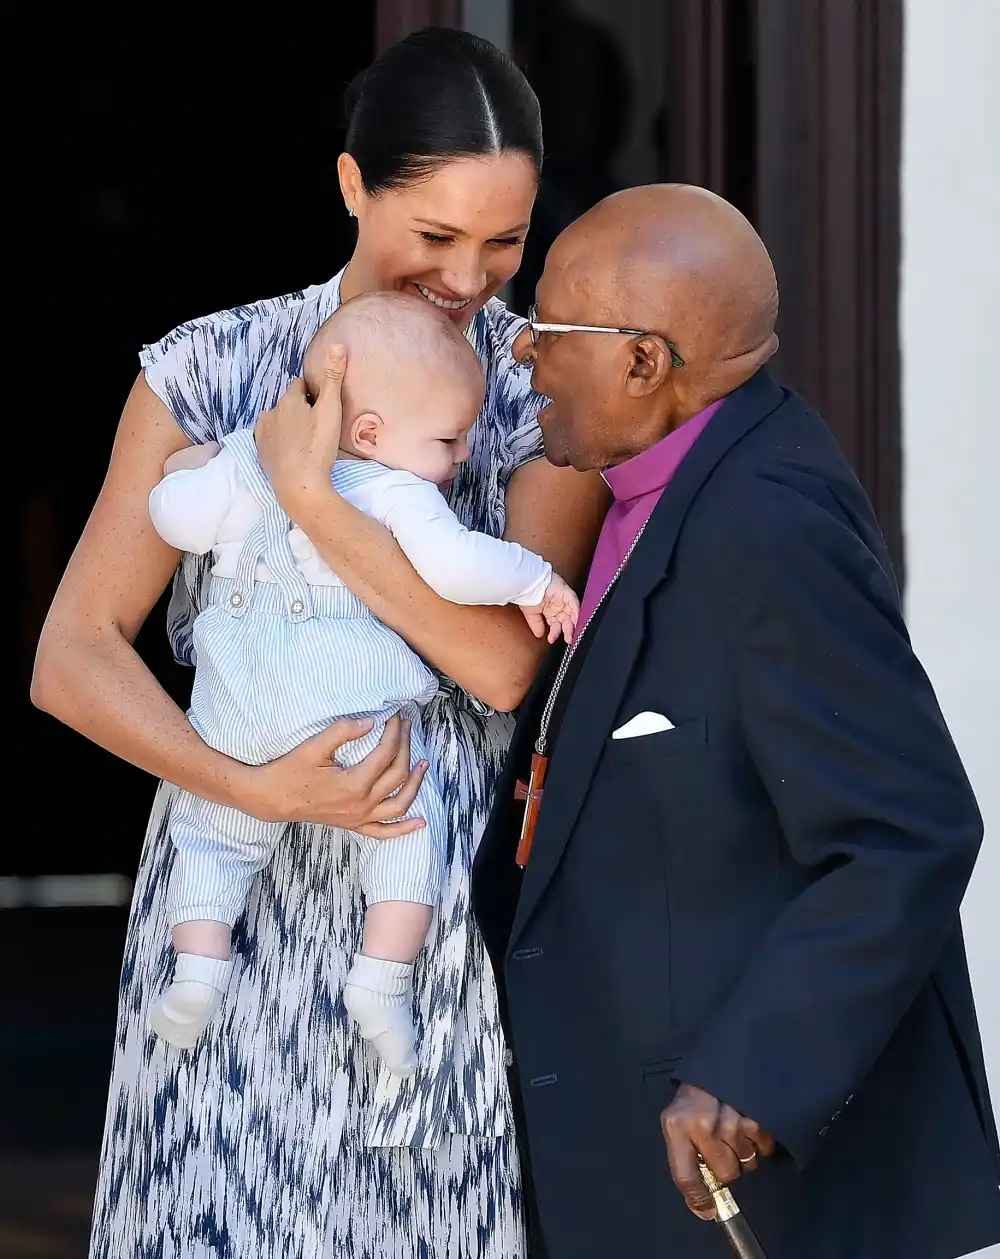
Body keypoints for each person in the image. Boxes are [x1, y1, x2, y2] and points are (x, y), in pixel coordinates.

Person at [31, 27, 607, 1259]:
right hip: (219, 910)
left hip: (414, 915)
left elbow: (505, 667)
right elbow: (70, 652)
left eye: (503, 242)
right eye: (436, 235)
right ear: (352, 185)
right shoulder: (209, 367)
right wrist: (247, 786)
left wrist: (314, 503)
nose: (469, 278)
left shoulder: (536, 393)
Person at [472, 183, 1000, 1259]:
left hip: (749, 1194)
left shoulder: (767, 520)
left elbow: (906, 830)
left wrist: (756, 1070)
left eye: (549, 328)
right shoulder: (648, 484)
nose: (520, 353)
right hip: (618, 1171)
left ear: (642, 361)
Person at [146, 291, 578, 1067]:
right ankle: (381, 981)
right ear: (372, 433)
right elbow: (460, 566)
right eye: (449, 439)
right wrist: (536, 580)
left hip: (235, 710)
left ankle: (197, 969)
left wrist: (194, 466)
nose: (463, 456)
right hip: (348, 710)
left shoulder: (250, 455)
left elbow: (175, 520)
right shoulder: (397, 488)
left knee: (209, 837)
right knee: (409, 831)